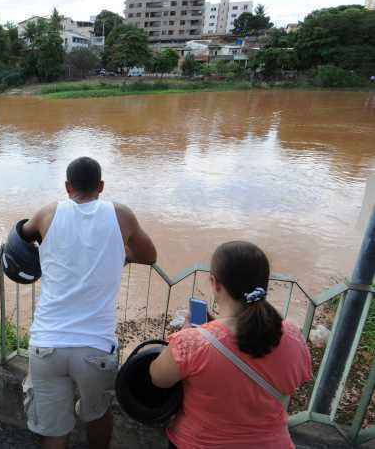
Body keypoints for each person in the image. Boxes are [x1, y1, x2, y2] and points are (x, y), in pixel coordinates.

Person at [20, 156, 157, 449]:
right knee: (97, 416)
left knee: (54, 430)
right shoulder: (120, 214)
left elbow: (22, 235)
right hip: (95, 345)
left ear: (67, 186)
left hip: (47, 342)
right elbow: (149, 255)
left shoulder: (48, 213)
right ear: (102, 186)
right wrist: (121, 256)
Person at [149, 241, 312, 449]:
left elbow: (158, 378)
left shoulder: (192, 342)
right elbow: (295, 380)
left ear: (215, 283)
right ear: (264, 284)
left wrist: (190, 334)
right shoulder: (292, 336)